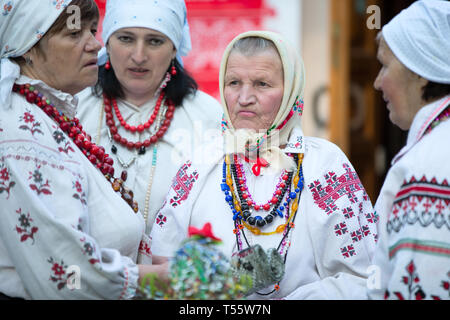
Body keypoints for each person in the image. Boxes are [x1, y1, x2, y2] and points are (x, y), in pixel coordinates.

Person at [150, 31, 378, 299]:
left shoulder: (326, 166)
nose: (244, 97)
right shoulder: (200, 164)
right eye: (234, 82)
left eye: (262, 84)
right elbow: (163, 266)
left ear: (291, 90)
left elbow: (363, 279)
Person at [0, 0, 166, 300]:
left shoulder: (46, 116)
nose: (95, 45)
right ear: (27, 43)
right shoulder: (18, 130)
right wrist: (167, 279)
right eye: (75, 34)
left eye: (92, 31)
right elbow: (68, 276)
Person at [76, 0, 222, 233]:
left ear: (174, 48)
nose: (139, 55)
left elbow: (216, 214)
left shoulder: (206, 116)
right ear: (107, 43)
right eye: (126, 38)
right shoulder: (74, 107)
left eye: (155, 41)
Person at [368, 0, 450, 300]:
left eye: (385, 65)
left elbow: (419, 286)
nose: (377, 83)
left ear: (422, 70)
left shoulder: (427, 166)